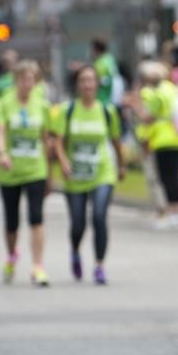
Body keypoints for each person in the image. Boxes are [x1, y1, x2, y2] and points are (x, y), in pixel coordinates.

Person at [51, 66, 125, 285]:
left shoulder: (107, 111)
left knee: (99, 216)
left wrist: (121, 165)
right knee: (78, 224)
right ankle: (75, 250)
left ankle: (99, 265)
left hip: (102, 171)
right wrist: (64, 162)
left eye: (91, 81)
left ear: (96, 84)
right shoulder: (68, 110)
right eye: (83, 81)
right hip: (76, 175)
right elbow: (58, 141)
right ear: (77, 85)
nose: (87, 85)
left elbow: (116, 141)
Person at [0, 60, 52, 286]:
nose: (27, 84)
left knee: (36, 218)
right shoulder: (4, 103)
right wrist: (2, 153)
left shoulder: (42, 105)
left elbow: (46, 139)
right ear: (16, 81)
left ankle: (37, 266)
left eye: (32, 80)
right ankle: (11, 255)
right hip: (10, 171)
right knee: (12, 222)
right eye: (23, 79)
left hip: (36, 169)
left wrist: (50, 171)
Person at [129, 60, 178, 228]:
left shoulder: (155, 93)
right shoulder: (174, 89)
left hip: (163, 140)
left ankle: (172, 212)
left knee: (167, 177)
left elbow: (147, 117)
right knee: (176, 175)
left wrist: (135, 106)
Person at [92, 38, 121, 107]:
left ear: (97, 49)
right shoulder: (109, 59)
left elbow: (109, 78)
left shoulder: (102, 62)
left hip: (105, 99)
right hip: (109, 99)